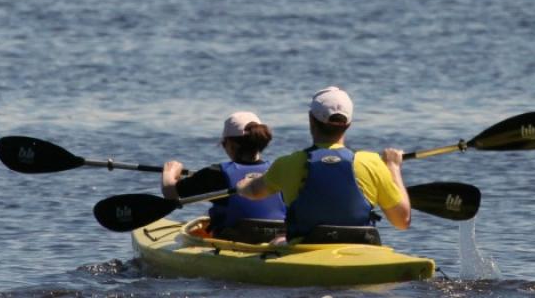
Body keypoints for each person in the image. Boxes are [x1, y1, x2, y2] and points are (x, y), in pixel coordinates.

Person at [237, 87, 411, 242]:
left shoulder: (287, 164)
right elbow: (402, 221)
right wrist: (393, 168)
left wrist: (242, 184)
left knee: (277, 241)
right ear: (348, 124)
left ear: (311, 119)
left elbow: (253, 192)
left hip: (306, 249)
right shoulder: (372, 162)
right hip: (361, 247)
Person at [161, 111, 286, 240]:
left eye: (223, 143)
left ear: (232, 145)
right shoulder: (280, 170)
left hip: (231, 240)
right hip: (277, 237)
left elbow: (171, 193)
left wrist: (170, 170)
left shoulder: (216, 173)